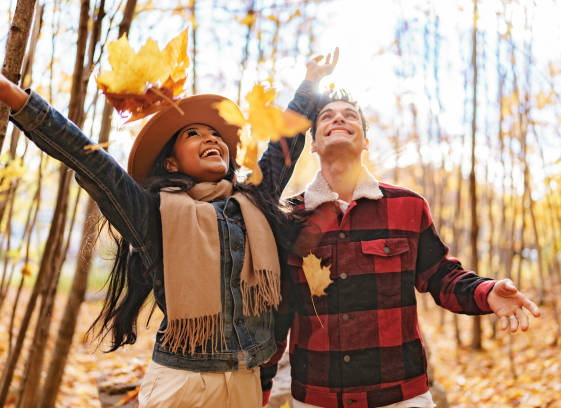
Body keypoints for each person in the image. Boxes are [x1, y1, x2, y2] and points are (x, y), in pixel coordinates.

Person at [0, 49, 337, 408]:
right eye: (194, 134)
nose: (211, 139)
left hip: (246, 383)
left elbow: (283, 143)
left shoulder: (254, 200)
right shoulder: (153, 214)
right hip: (181, 384)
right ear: (172, 161)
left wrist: (310, 82)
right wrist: (16, 99)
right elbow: (91, 162)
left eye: (215, 134)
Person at [260, 89, 541, 408]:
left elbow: (442, 276)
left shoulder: (408, 205)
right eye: (327, 116)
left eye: (350, 115)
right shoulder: (290, 218)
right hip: (316, 398)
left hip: (401, 398)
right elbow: (277, 313)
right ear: (312, 144)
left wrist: (486, 292)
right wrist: (261, 386)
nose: (339, 117)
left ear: (365, 141)